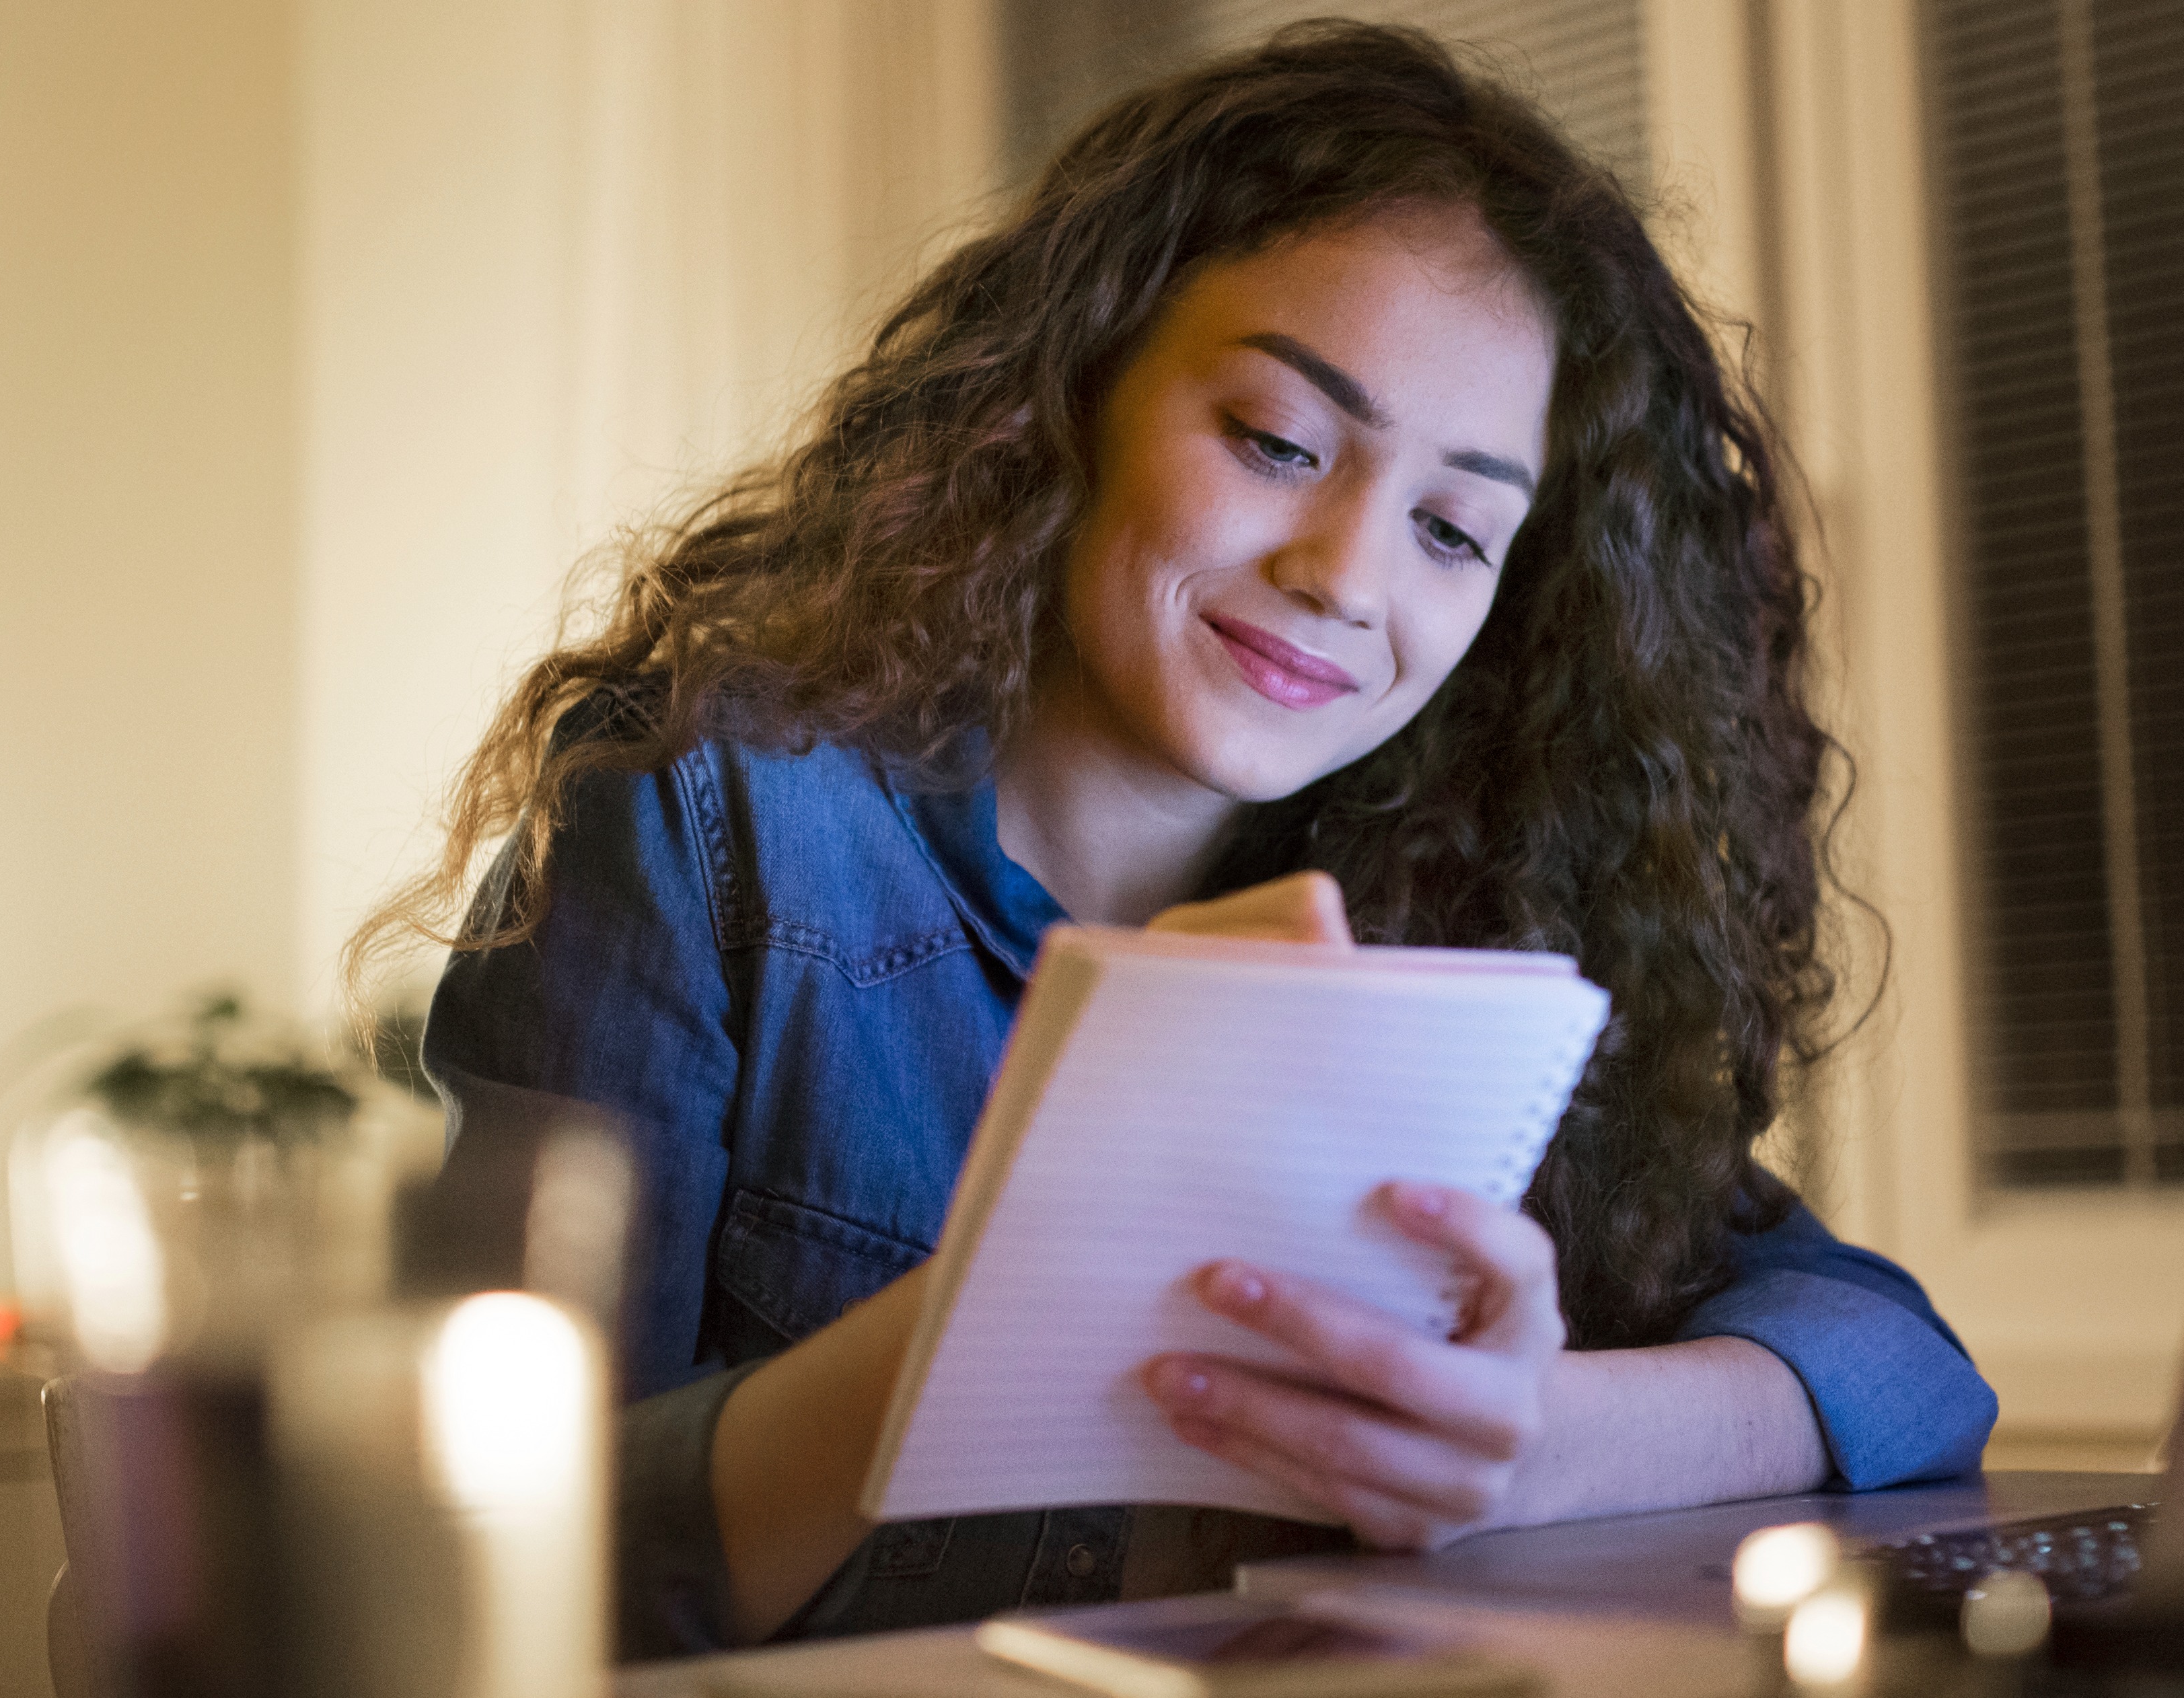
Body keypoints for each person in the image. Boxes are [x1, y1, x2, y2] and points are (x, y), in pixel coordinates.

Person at [361, 21, 1998, 1661]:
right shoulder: (707, 822)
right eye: (1280, 441)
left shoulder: (1456, 931)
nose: (1349, 575)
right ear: (1070, 393)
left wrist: (1528, 1439)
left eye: (1452, 528)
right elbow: (472, 1560)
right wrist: (1026, 1294)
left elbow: (1897, 1355)